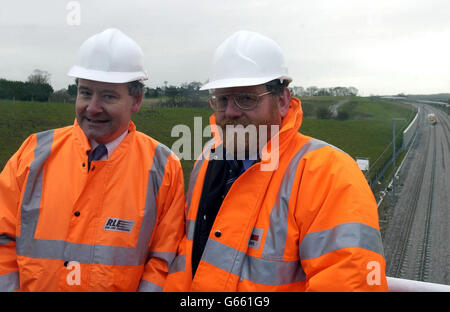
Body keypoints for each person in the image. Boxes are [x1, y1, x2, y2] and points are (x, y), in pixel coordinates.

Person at [164, 30, 388, 291]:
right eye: (222, 99)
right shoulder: (207, 159)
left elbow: (352, 282)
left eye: (246, 98)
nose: (231, 112)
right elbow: (186, 257)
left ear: (282, 101)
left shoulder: (329, 174)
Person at [0, 28, 185, 291]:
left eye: (108, 96)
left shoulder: (164, 167)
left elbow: (163, 262)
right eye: (86, 93)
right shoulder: (32, 153)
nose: (93, 107)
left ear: (136, 100)